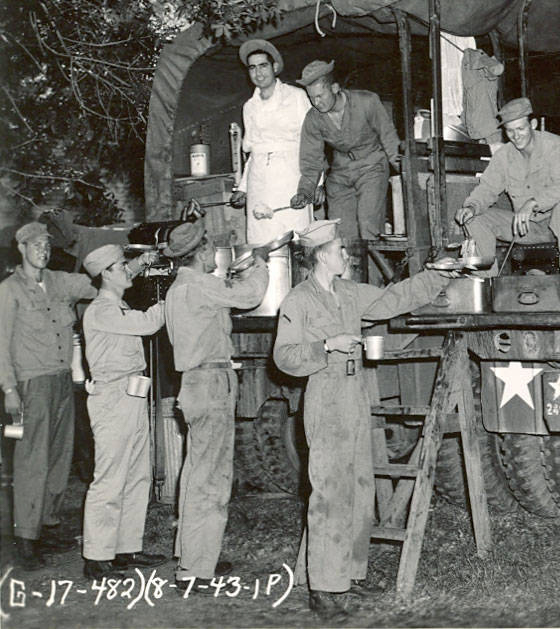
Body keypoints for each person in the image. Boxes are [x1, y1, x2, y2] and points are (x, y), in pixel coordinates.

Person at [273, 219, 451, 620]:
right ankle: (325, 587)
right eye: (339, 250)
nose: (346, 255)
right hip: (325, 395)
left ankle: (350, 574)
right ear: (320, 256)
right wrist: (326, 345)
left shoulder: (350, 293)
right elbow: (284, 358)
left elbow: (394, 299)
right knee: (329, 493)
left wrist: (435, 275)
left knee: (358, 487)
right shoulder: (297, 302)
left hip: (355, 395)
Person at [162, 220, 269, 592]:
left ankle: (193, 556)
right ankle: (194, 571)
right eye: (211, 250)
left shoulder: (179, 288)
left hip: (195, 384)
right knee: (211, 481)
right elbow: (250, 296)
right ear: (201, 253)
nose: (214, 256)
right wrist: (260, 264)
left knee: (196, 475)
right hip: (210, 383)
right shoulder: (198, 285)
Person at [0, 222, 97, 570]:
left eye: (46, 244)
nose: (43, 249)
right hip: (29, 386)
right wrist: (9, 390)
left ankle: (48, 525)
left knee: (59, 457)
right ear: (21, 248)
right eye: (36, 244)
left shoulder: (57, 281)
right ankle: (25, 538)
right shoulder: (9, 290)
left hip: (60, 381)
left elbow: (94, 284)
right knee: (30, 460)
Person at [80, 244, 166, 581]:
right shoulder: (101, 310)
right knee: (110, 477)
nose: (127, 271)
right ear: (106, 274)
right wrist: (168, 299)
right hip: (112, 396)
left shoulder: (118, 302)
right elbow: (147, 324)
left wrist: (143, 261)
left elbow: (130, 273)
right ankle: (97, 556)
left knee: (137, 473)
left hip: (133, 391)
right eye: (120, 267)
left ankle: (126, 547)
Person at [453, 97, 560, 273]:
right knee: (476, 218)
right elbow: (487, 188)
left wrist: (533, 203)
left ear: (533, 124)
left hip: (558, 224)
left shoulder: (553, 144)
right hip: (524, 228)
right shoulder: (504, 156)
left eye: (520, 129)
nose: (515, 136)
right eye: (510, 131)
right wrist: (472, 207)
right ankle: (486, 285)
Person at [290, 60, 401, 241]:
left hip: (372, 166)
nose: (316, 102)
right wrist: (304, 191)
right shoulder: (313, 119)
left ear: (334, 88)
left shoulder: (367, 102)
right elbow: (311, 161)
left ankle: (375, 269)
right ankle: (349, 269)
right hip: (341, 173)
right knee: (341, 234)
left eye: (320, 96)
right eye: (311, 98)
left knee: (369, 226)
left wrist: (404, 171)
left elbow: (389, 138)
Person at [229, 39, 314, 243]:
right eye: (252, 68)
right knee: (262, 240)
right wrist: (243, 188)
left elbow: (313, 140)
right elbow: (254, 152)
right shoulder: (249, 107)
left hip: (291, 178)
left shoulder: (296, 96)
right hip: (260, 183)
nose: (258, 73)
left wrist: (314, 183)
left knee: (295, 238)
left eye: (263, 66)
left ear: (275, 67)